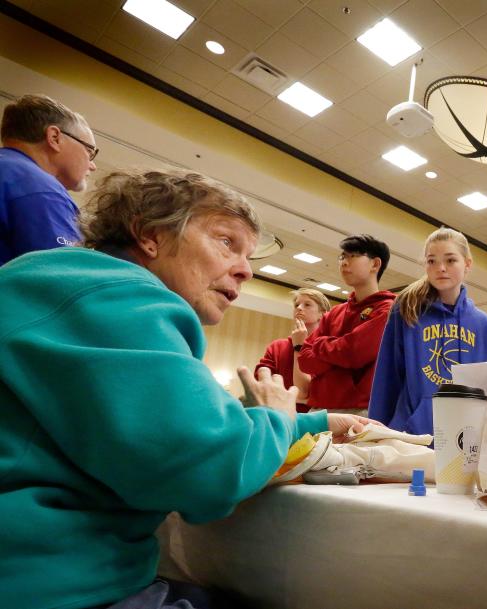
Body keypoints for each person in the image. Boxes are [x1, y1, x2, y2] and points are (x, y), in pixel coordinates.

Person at [0, 169, 373, 609]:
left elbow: (193, 421)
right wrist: (275, 419)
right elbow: (206, 471)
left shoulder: (54, 286)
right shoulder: (122, 298)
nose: (246, 270)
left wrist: (311, 420)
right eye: (226, 241)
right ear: (150, 234)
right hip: (57, 587)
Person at [369, 228, 487, 435]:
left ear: (467, 264)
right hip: (414, 435)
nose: (440, 268)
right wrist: (376, 430)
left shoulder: (485, 325)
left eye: (450, 260)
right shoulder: (406, 311)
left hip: (470, 436)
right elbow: (387, 376)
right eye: (432, 261)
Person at [296, 234, 396, 416]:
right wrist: (338, 352)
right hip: (318, 408)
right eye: (342, 256)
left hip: (359, 410)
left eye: (353, 256)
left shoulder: (388, 310)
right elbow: (305, 361)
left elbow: (354, 353)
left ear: (375, 264)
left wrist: (320, 344)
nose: (344, 262)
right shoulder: (334, 313)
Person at [1, 94, 97, 265]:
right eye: (89, 151)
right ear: (54, 138)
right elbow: (64, 276)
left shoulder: (8, 171)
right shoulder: (41, 189)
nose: (92, 165)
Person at [257, 288, 331, 413]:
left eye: (307, 304)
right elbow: (263, 388)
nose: (299, 308)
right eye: (297, 305)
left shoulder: (327, 348)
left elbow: (305, 392)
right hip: (277, 416)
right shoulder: (276, 347)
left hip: (313, 420)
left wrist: (299, 346)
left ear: (322, 314)